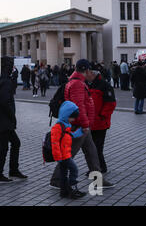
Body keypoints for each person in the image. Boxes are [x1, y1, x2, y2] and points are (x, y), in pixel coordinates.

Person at [50, 59, 115, 189]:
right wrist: (85, 124)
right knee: (69, 153)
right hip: (80, 125)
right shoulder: (78, 84)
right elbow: (79, 106)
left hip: (82, 124)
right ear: (86, 70)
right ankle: (56, 179)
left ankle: (97, 179)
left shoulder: (75, 81)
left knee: (92, 153)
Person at [0, 56, 27, 182]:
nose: (13, 67)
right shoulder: (5, 80)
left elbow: (9, 91)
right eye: (11, 65)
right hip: (4, 118)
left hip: (0, 117)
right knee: (4, 147)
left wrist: (14, 78)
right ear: (8, 66)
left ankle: (12, 170)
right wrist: (12, 116)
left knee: (13, 143)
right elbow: (5, 100)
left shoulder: (0, 77)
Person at [51, 101, 86, 199]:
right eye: (72, 117)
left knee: (63, 173)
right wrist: (58, 157)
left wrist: (80, 131)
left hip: (65, 154)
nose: (73, 120)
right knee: (74, 169)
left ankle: (64, 192)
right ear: (66, 115)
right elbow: (55, 143)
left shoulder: (66, 126)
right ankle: (72, 189)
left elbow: (71, 136)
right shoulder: (58, 127)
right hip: (63, 156)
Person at [88, 69, 116, 174]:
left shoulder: (104, 85)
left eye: (88, 73)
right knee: (91, 148)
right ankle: (95, 168)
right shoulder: (88, 84)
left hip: (100, 122)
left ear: (93, 74)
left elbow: (111, 103)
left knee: (97, 147)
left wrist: (102, 116)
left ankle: (100, 168)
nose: (86, 75)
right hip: (90, 122)